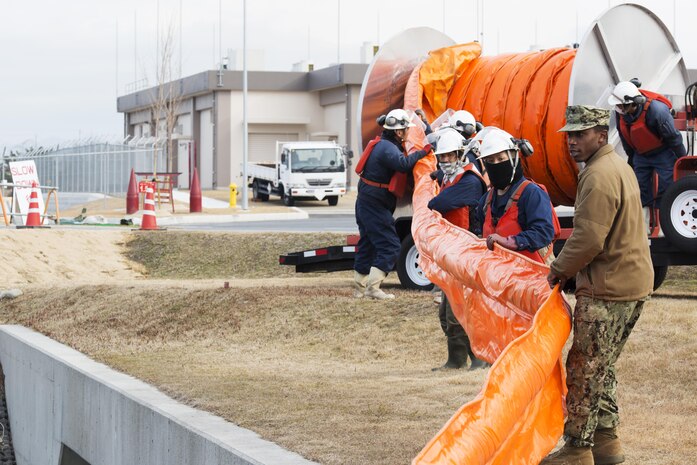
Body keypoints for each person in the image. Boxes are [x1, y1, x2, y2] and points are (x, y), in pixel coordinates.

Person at [543, 105, 654, 465]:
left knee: (584, 370)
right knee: (601, 367)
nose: (572, 142)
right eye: (570, 135)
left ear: (600, 135)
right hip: (631, 284)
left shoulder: (597, 174)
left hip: (608, 289)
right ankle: (607, 445)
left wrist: (558, 269)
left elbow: (589, 238)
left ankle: (577, 450)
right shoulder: (618, 167)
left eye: (580, 134)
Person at [353, 108, 431, 300]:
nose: (408, 133)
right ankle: (373, 288)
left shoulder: (382, 144)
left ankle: (359, 288)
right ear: (398, 132)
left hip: (366, 201)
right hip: (374, 203)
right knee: (390, 245)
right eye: (406, 130)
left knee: (368, 243)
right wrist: (424, 152)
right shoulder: (388, 148)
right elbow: (404, 164)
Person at [426, 130, 488, 370]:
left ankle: (478, 358)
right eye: (442, 157)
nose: (445, 161)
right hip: (451, 252)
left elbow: (438, 203)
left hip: (465, 253)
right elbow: (442, 177)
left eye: (450, 156)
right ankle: (457, 359)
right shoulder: (450, 177)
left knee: (461, 310)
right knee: (446, 311)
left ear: (461, 155)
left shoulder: (470, 181)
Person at [474, 128, 557, 264]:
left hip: (532, 277)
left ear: (514, 158)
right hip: (500, 276)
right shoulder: (486, 201)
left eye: (501, 158)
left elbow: (544, 233)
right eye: (490, 160)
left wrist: (510, 241)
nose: (496, 164)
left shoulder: (531, 194)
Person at [609, 80, 686, 212]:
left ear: (632, 103)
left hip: (663, 153)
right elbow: (624, 135)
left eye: (621, 106)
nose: (619, 108)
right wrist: (631, 158)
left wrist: (683, 159)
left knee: (667, 186)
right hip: (640, 154)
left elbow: (673, 137)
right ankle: (644, 224)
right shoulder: (620, 112)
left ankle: (665, 221)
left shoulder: (657, 111)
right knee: (639, 187)